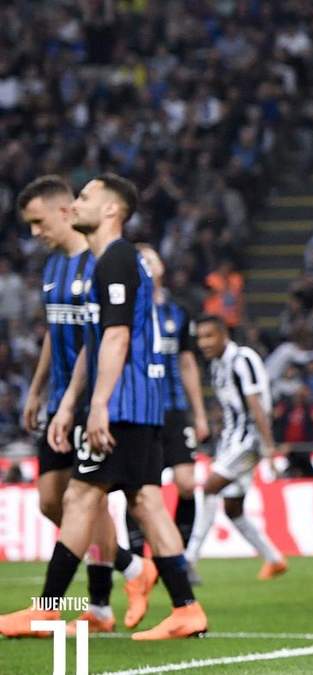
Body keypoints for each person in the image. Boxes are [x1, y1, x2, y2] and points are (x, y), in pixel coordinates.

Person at [1, 174, 206, 640]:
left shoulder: (115, 259)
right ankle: (185, 607)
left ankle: (48, 610)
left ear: (111, 209)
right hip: (134, 403)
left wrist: (97, 405)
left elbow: (116, 337)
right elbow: (93, 344)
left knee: (79, 498)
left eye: (86, 197)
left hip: (123, 403)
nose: (77, 203)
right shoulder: (106, 260)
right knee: (146, 503)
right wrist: (70, 403)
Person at [12, 175, 157, 634]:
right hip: (62, 398)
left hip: (94, 398)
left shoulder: (101, 261)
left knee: (84, 498)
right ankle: (132, 567)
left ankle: (95, 606)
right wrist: (38, 389)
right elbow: (56, 334)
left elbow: (104, 338)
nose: (35, 232)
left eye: (39, 222)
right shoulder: (54, 266)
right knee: (52, 501)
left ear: (63, 212)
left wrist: (87, 402)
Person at [125, 245, 210, 587]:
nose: (147, 263)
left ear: (161, 266)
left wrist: (199, 414)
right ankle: (137, 563)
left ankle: (181, 559)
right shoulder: (126, 310)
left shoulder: (178, 312)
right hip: (141, 410)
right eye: (140, 259)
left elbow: (187, 363)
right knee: (138, 489)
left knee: (187, 484)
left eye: (152, 258)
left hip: (174, 410)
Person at [185, 315, 287, 580]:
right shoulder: (217, 365)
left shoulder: (243, 359)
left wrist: (269, 448)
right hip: (231, 441)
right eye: (200, 338)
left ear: (224, 335)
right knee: (233, 508)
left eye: (209, 336)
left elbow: (256, 404)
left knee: (209, 487)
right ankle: (274, 559)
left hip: (249, 440)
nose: (204, 343)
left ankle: (188, 560)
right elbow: (229, 407)